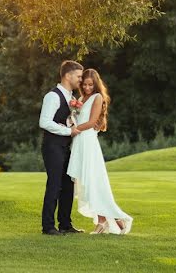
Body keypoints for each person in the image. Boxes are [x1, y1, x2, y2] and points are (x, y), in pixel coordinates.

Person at [67, 68, 133, 235]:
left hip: (88, 141)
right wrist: (71, 118)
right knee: (87, 184)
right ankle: (112, 221)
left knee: (93, 182)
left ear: (96, 84)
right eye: (85, 84)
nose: (88, 87)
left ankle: (105, 221)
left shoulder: (97, 97)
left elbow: (91, 122)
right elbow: (77, 117)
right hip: (79, 142)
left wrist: (74, 129)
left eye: (91, 84)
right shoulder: (81, 98)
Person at [39, 60, 85, 235]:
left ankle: (65, 224)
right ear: (68, 75)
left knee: (68, 184)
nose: (81, 80)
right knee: (55, 184)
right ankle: (48, 226)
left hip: (66, 146)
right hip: (52, 146)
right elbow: (44, 122)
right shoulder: (53, 96)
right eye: (79, 76)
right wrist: (68, 131)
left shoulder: (72, 98)